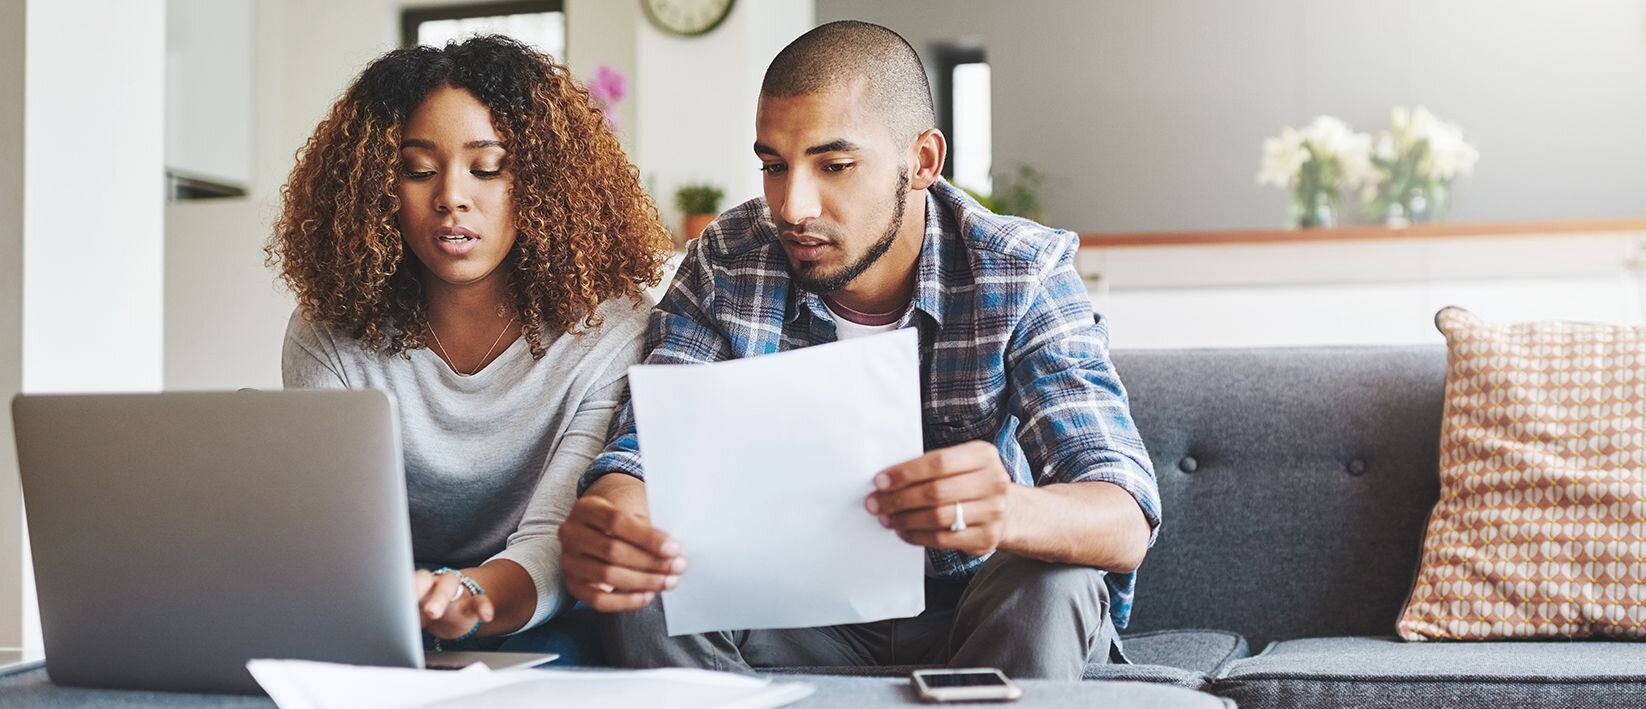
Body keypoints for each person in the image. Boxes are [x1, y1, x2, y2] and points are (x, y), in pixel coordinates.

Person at [558, 21, 1161, 680]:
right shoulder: (727, 262)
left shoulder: (1018, 271)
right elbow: (644, 450)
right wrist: (618, 516)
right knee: (648, 583)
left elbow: (1122, 515)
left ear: (923, 162)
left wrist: (1006, 509)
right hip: (796, 612)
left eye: (834, 165)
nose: (793, 205)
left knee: (1055, 578)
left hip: (977, 611)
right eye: (773, 165)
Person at [268, 35, 667, 652]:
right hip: (380, 609)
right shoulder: (329, 329)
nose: (451, 195)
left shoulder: (608, 330)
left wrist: (467, 598)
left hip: (537, 613)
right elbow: (329, 531)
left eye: (488, 168)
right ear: (378, 188)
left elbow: (554, 544)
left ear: (541, 185)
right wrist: (406, 601)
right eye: (418, 169)